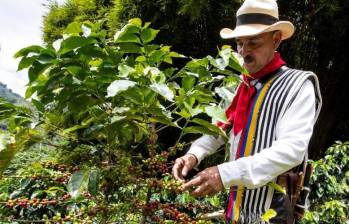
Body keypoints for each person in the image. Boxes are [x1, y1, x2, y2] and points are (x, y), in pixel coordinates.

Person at [172, 0, 322, 223]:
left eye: (253, 43)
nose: (244, 52)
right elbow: (221, 128)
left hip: (274, 213)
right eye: (240, 43)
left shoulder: (298, 85)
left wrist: (225, 174)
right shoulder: (239, 86)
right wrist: (195, 154)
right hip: (236, 210)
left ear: (276, 40)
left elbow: (291, 150)